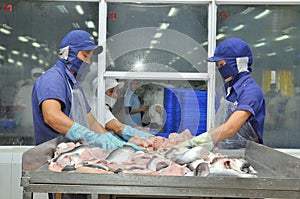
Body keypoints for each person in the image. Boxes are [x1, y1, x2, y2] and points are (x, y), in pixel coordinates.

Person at [32, 30, 141, 199]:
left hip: (78, 163)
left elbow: (91, 122)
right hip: (62, 165)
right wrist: (89, 136)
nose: (88, 62)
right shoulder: (53, 79)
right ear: (69, 53)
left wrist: (114, 143)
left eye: (90, 57)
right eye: (85, 55)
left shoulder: (74, 86)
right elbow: (51, 116)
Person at [179, 38, 265, 150]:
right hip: (229, 152)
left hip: (246, 155)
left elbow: (230, 128)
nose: (220, 69)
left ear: (238, 62)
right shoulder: (229, 89)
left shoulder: (250, 92)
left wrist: (196, 141)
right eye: (218, 65)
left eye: (222, 64)